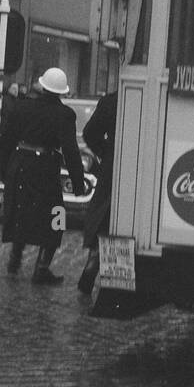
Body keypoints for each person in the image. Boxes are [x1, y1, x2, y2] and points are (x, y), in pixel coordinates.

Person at [0, 66, 86, 285]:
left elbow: (5, 140)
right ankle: (42, 267)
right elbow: (71, 150)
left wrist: (4, 171)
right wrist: (78, 183)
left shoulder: (22, 107)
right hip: (45, 169)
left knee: (21, 212)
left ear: (42, 85)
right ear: (62, 91)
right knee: (57, 216)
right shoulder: (64, 114)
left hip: (19, 166)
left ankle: (15, 259)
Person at [78, 88, 118, 294]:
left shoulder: (111, 101)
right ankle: (115, 282)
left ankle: (93, 263)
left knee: (104, 216)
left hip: (113, 166)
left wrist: (107, 153)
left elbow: (89, 133)